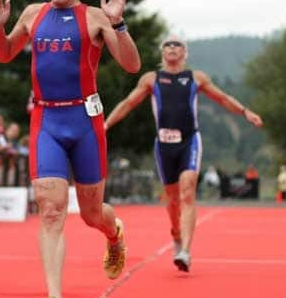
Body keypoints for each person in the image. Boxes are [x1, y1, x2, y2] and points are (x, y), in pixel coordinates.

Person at [0, 0, 141, 298]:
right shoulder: (32, 14)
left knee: (91, 214)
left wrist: (118, 23)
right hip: (46, 122)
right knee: (51, 209)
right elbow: (4, 54)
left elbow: (132, 65)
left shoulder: (95, 17)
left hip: (85, 122)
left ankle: (114, 233)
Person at [104, 35, 263, 272]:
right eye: (167, 44)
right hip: (164, 145)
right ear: (162, 52)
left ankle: (185, 252)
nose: (172, 47)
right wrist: (106, 125)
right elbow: (128, 103)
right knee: (172, 199)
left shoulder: (195, 78)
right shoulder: (151, 79)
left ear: (184, 53)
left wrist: (245, 111)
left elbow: (221, 98)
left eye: (177, 44)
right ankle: (176, 233)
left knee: (187, 191)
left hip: (189, 140)